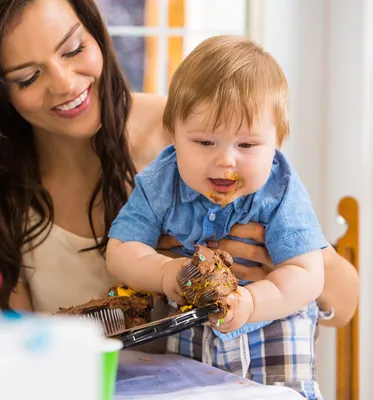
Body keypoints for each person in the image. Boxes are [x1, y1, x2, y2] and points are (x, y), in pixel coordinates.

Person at [0, 0, 358, 330]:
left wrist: (269, 278)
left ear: (95, 33)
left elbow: (344, 301)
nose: (66, 84)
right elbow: (16, 357)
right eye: (28, 77)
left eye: (74, 49)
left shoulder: (197, 139)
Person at [106, 35, 324, 398]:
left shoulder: (280, 188)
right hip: (194, 331)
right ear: (173, 135)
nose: (226, 160)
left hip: (273, 331)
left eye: (247, 145)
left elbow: (308, 273)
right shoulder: (161, 183)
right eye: (205, 142)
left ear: (277, 143)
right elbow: (121, 249)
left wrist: (252, 303)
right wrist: (163, 272)